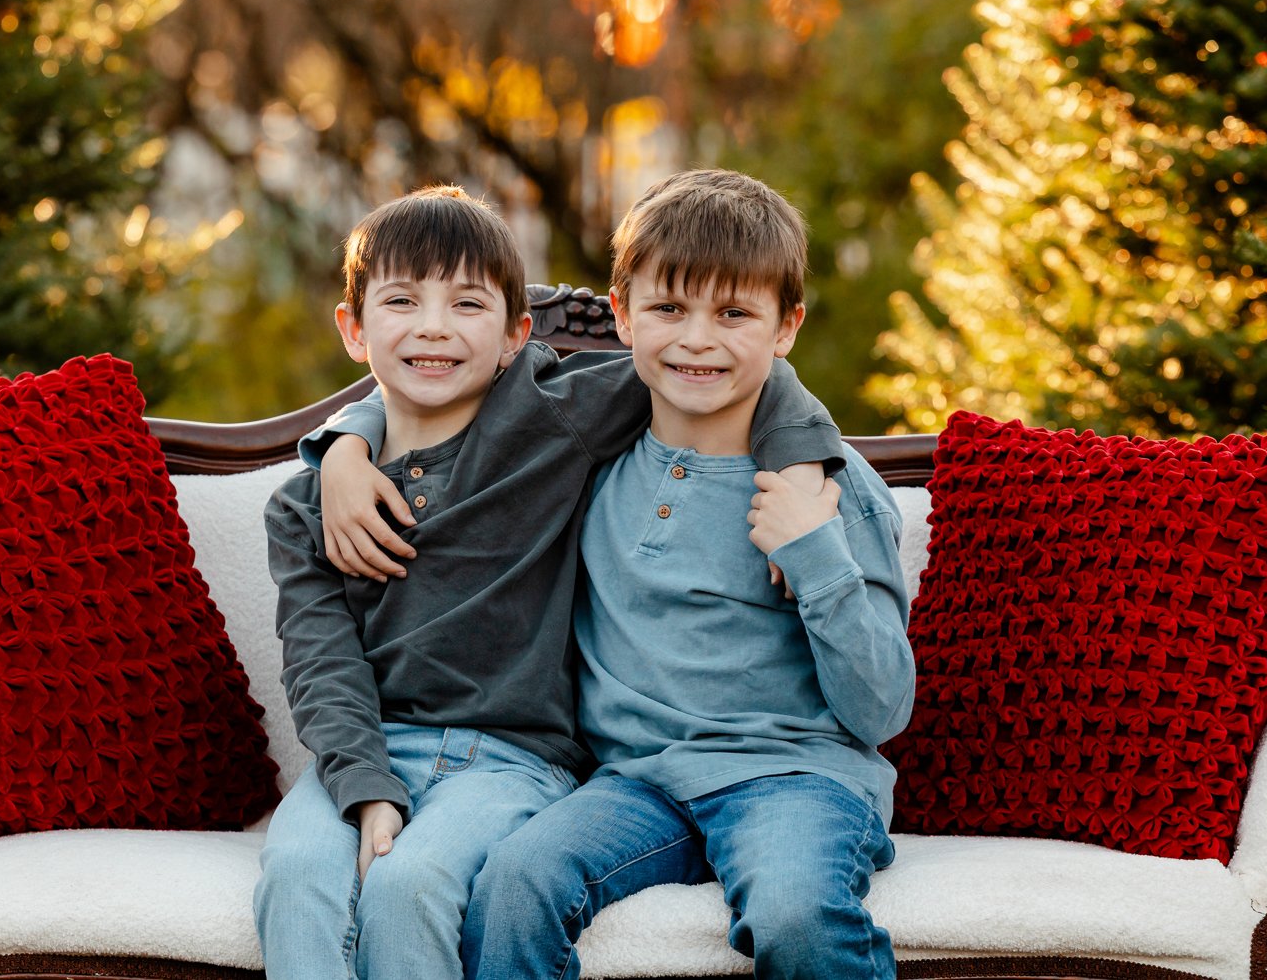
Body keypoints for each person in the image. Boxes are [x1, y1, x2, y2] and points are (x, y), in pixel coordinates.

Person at [255, 184, 842, 980]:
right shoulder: (305, 508)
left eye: (467, 303)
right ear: (353, 329)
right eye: (401, 301)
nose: (433, 325)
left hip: (512, 758)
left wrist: (801, 456)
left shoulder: (550, 420)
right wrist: (365, 786)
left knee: (410, 883)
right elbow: (321, 662)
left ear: (514, 334)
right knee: (295, 879)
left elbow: (724, 363)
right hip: (361, 751)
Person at [458, 169, 916, 980]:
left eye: (734, 313)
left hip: (796, 778)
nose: (697, 339)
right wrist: (348, 444)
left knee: (797, 914)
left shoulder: (829, 487)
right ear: (624, 313)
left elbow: (881, 707)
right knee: (513, 884)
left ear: (786, 327)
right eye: (669, 308)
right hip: (638, 782)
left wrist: (814, 551)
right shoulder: (588, 459)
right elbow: (432, 393)